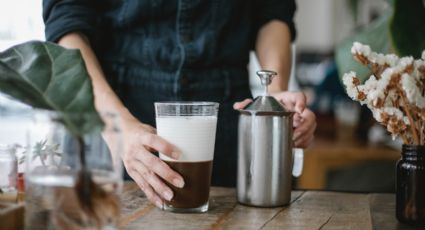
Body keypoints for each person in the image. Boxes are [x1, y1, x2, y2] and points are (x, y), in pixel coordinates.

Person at [43, 0, 316, 208]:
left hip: (225, 119)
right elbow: (66, 23)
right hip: (108, 110)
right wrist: (118, 126)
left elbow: (273, 13)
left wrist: (274, 92)